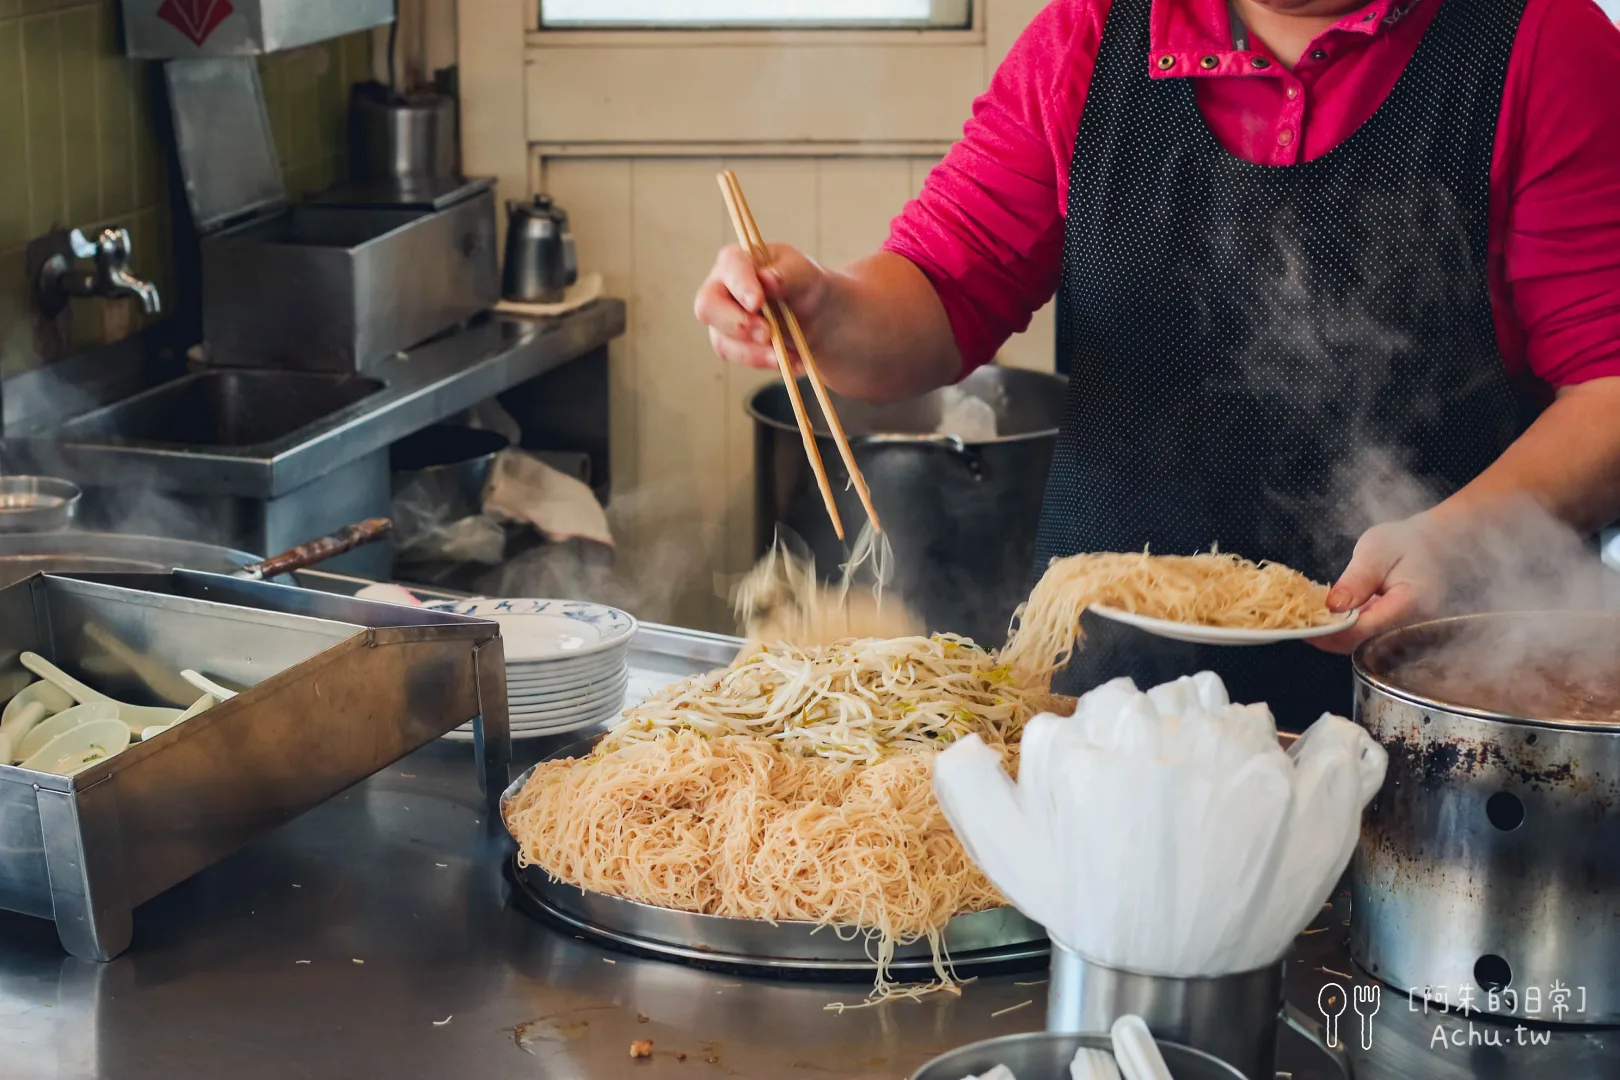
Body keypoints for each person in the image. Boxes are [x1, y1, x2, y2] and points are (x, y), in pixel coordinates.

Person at [695, 0, 1620, 718]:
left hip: (1436, 701)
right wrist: (822, 313)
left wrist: (1453, 539)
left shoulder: (1537, 42)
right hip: (1112, 707)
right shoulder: (1095, 33)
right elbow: (942, 288)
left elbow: (1609, 387)